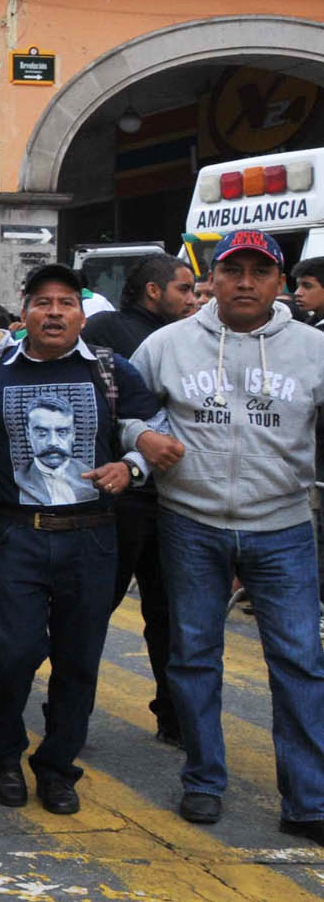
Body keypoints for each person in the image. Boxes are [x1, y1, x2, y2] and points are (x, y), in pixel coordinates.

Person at [133, 231, 324, 839]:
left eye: (259, 271)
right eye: (231, 270)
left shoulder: (314, 349)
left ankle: (308, 801)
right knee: (193, 657)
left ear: (281, 282)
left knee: (300, 663)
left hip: (285, 526)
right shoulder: (167, 345)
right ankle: (204, 780)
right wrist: (139, 438)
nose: (245, 282)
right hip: (190, 522)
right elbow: (123, 408)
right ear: (211, 278)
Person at [0, 262, 172, 815]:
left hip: (92, 537)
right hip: (17, 535)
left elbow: (155, 428)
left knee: (78, 661)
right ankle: (5, 755)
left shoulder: (110, 370)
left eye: (66, 302)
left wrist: (129, 468)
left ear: (82, 315)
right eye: (42, 302)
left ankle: (58, 767)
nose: (54, 312)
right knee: (10, 655)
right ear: (25, 312)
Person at [82, 250, 198, 745]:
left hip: (171, 499)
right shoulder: (108, 330)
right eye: (183, 290)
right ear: (154, 291)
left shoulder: (189, 340)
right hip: (120, 499)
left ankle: (174, 717)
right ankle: (69, 715)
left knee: (169, 613)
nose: (192, 300)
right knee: (91, 610)